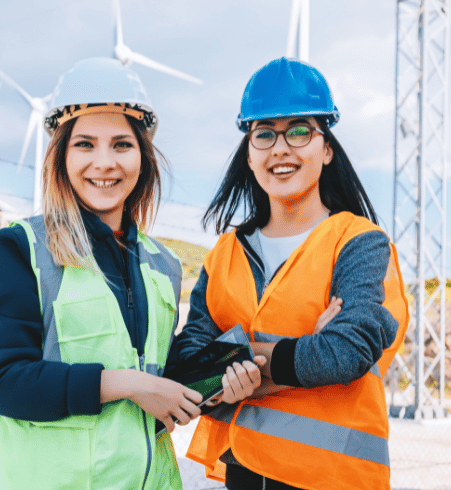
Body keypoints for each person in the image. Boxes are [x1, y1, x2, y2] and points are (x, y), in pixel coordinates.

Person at [0, 58, 214, 490]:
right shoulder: (18, 249)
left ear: (143, 157)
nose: (104, 163)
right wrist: (126, 385)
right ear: (60, 155)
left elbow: (157, 371)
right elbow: (0, 381)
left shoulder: (163, 264)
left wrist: (226, 376)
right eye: (85, 144)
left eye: (122, 144)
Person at [175, 57, 410, 490]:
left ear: (326, 149)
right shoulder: (224, 254)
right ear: (249, 154)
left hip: (336, 478)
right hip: (245, 475)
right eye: (264, 134)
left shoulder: (359, 243)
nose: (280, 148)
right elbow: (186, 372)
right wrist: (306, 352)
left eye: (299, 130)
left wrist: (239, 367)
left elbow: (346, 352)